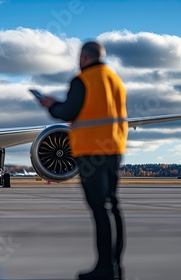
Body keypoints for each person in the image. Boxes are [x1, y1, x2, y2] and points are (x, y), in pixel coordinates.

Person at [39, 41, 127, 280]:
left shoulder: (83, 79)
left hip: (90, 151)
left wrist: (50, 105)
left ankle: (104, 269)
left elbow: (68, 112)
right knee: (112, 207)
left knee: (100, 209)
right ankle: (116, 266)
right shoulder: (115, 80)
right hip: (114, 150)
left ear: (84, 57)